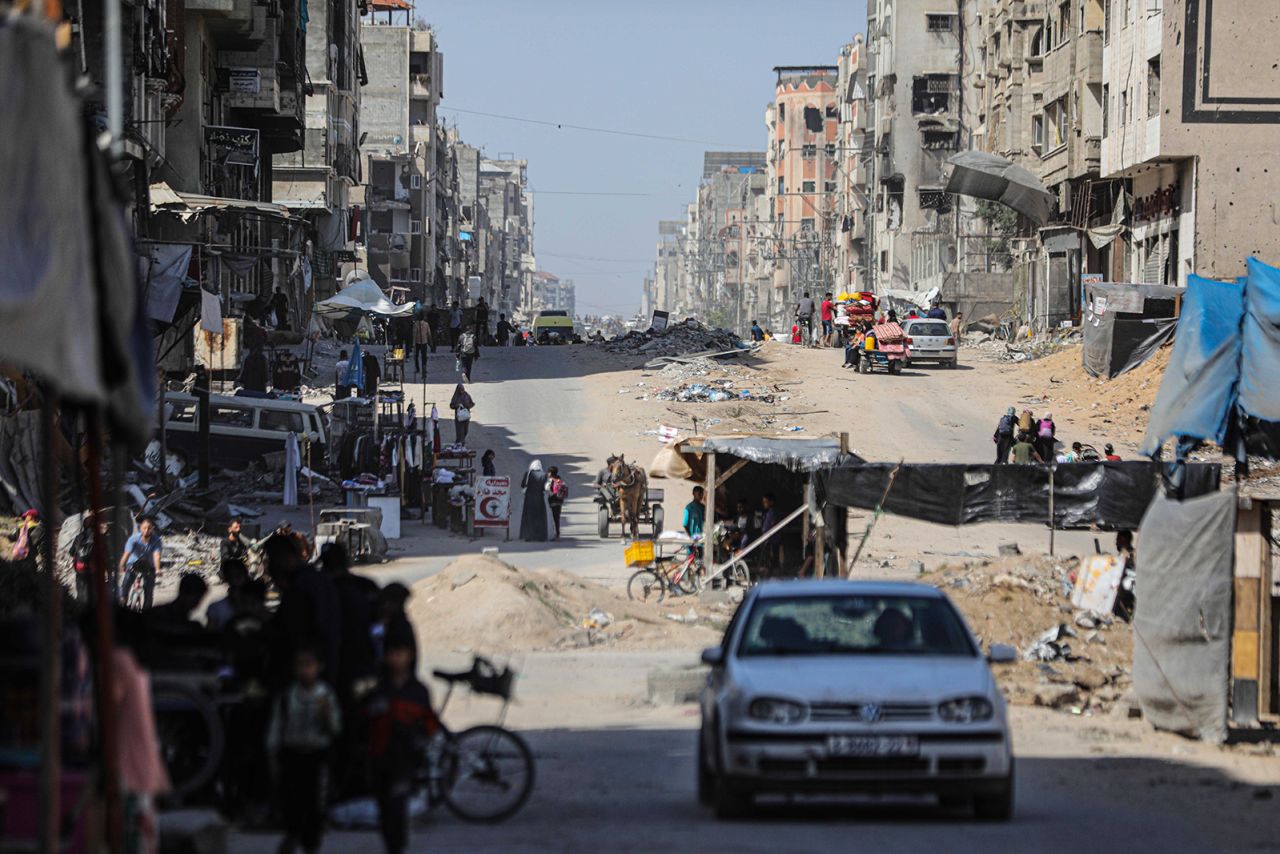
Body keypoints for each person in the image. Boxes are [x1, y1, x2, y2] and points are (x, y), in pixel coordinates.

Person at [365, 629, 436, 854]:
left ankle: (397, 846)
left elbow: (429, 724)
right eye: (392, 653)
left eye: (401, 653)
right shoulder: (378, 689)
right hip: (380, 757)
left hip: (405, 759)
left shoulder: (418, 691)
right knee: (385, 809)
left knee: (397, 806)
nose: (396, 658)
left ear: (410, 655)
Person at [268, 645, 341, 854]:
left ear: (319, 667)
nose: (305, 671)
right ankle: (292, 835)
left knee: (314, 805)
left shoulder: (325, 695)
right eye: (301, 665)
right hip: (292, 754)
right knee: (291, 802)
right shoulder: (287, 696)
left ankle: (310, 843)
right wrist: (273, 755)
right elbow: (276, 729)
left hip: (316, 756)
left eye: (309, 665)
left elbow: (335, 728)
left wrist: (326, 714)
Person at [119, 515, 163, 609]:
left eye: (149, 528)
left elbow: (156, 555)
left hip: (149, 566)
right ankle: (122, 605)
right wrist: (122, 565)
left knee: (148, 591)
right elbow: (127, 553)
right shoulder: (133, 539)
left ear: (152, 529)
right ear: (140, 528)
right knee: (125, 584)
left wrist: (158, 569)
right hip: (133, 564)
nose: (146, 530)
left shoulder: (157, 540)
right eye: (144, 528)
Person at [207, 558, 250, 632]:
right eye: (232, 575)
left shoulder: (215, 607)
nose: (236, 578)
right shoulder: (215, 608)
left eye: (238, 574)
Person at [519, 460, 550, 542]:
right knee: (539, 517)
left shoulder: (528, 474)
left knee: (529, 517)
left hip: (529, 498)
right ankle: (540, 536)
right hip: (539, 498)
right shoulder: (544, 475)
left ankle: (528, 536)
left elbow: (522, 485)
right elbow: (544, 488)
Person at [546, 466, 568, 541]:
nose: (547, 473)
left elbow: (548, 490)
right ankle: (557, 534)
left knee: (554, 518)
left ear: (550, 473)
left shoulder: (550, 480)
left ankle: (557, 535)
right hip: (559, 501)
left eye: (548, 472)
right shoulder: (559, 479)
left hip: (553, 501)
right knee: (557, 518)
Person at [759, 494, 780, 571]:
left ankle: (773, 571)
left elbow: (772, 525)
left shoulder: (773, 512)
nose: (764, 504)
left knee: (773, 557)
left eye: (766, 502)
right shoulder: (767, 513)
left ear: (771, 502)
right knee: (767, 557)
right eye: (763, 502)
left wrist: (768, 537)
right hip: (767, 538)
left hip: (772, 539)